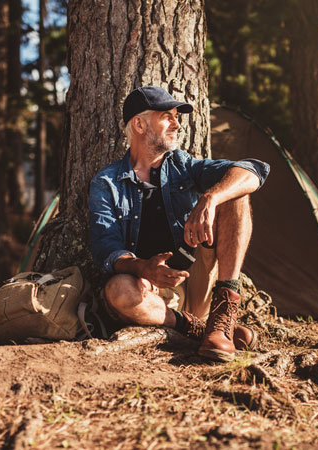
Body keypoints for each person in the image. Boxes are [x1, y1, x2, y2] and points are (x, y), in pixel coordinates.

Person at [88, 85, 269, 362]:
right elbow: (106, 248)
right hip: (151, 294)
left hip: (198, 281)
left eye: (177, 116)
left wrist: (211, 196)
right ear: (139, 124)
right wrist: (143, 268)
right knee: (117, 290)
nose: (177, 124)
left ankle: (223, 314)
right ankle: (199, 329)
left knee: (236, 192)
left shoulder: (183, 166)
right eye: (167, 116)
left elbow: (252, 171)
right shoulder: (107, 182)